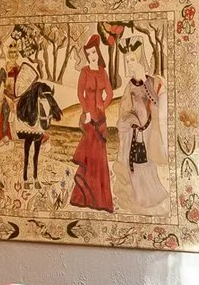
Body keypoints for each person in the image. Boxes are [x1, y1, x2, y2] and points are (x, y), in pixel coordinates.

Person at [68, 36, 114, 212]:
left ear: (98, 52)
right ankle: (84, 197)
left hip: (101, 120)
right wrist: (87, 111)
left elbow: (109, 93)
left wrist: (102, 106)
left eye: (93, 52)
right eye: (89, 54)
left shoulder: (103, 72)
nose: (92, 56)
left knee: (100, 157)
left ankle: (100, 200)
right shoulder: (85, 72)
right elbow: (80, 94)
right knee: (89, 155)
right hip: (88, 119)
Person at [124, 71, 168, 212]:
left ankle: (151, 196)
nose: (130, 64)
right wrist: (130, 120)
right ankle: (140, 196)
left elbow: (156, 101)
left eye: (133, 61)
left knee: (147, 162)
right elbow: (126, 107)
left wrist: (146, 82)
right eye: (128, 61)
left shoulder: (151, 82)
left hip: (149, 128)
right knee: (136, 162)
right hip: (135, 128)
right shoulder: (130, 85)